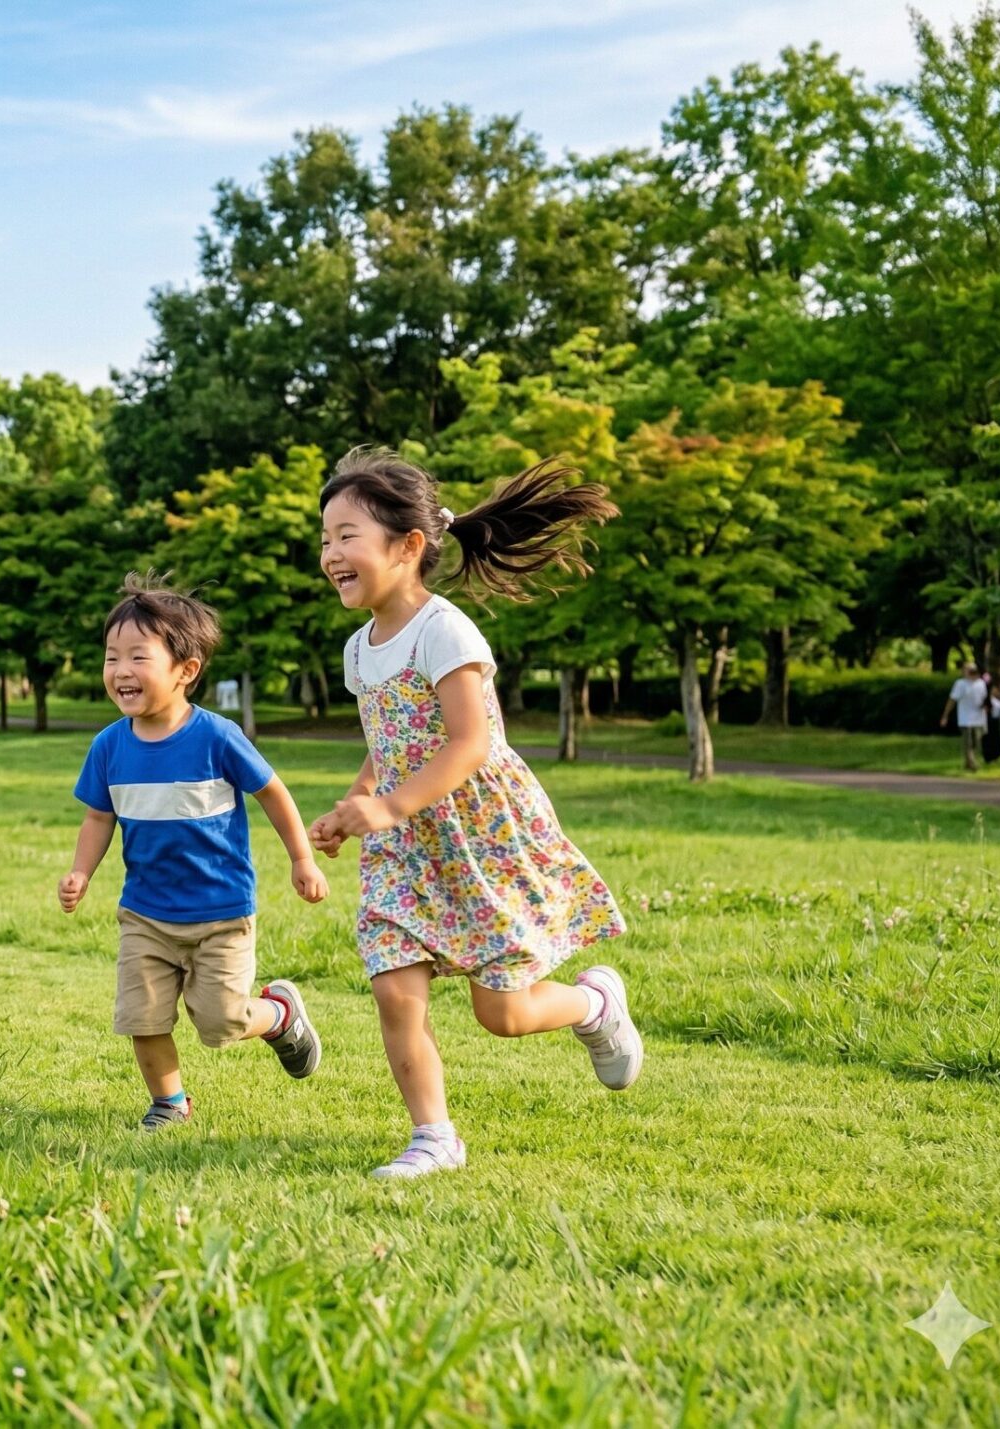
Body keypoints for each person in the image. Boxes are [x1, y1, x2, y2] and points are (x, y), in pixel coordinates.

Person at [304, 447, 638, 1181]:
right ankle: (434, 1135)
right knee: (394, 986)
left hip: (477, 837)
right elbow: (385, 745)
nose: (331, 553)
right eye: (325, 538)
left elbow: (471, 741)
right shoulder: (359, 650)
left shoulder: (443, 629)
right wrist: (356, 802)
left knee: (504, 1013)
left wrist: (389, 803)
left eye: (347, 535)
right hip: (404, 846)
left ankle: (592, 1003)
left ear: (409, 545)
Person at [58, 576, 330, 1133]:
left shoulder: (217, 737)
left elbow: (273, 793)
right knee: (142, 1016)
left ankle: (278, 1015)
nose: (121, 670)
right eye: (112, 657)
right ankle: (169, 1102)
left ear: (186, 670)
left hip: (221, 912)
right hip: (145, 913)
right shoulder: (109, 745)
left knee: (222, 1022)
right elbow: (98, 816)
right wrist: (81, 871)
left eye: (139, 656)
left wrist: (302, 859)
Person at [942, 664, 991, 772]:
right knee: (968, 743)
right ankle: (972, 764)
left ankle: (968, 763)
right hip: (966, 719)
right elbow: (952, 700)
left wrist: (986, 706)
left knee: (976, 742)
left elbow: (986, 698)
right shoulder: (960, 684)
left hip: (979, 718)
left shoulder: (981, 683)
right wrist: (945, 715)